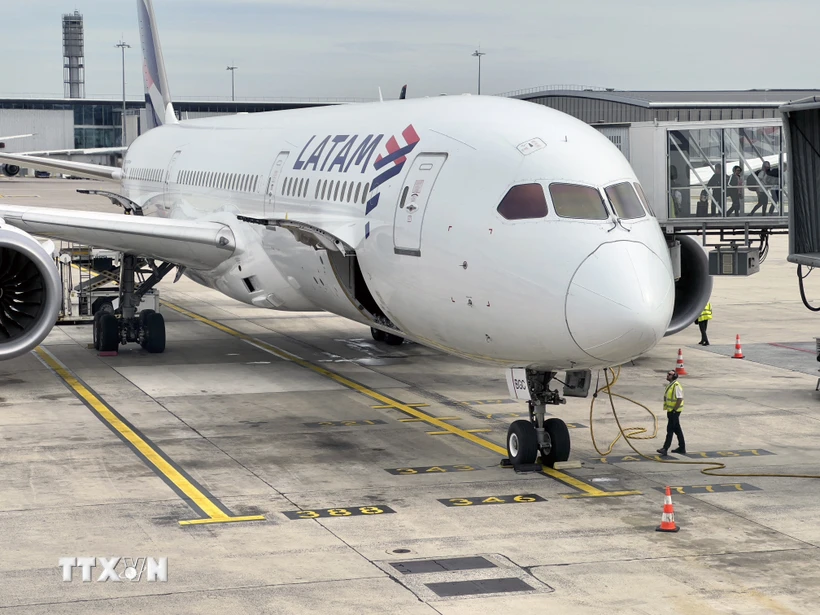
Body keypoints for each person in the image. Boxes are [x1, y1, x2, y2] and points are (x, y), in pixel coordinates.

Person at [657, 370, 685, 456]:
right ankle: (682, 448)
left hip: (674, 412)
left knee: (670, 430)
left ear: (674, 376)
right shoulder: (671, 385)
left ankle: (665, 448)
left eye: (669, 374)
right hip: (671, 411)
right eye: (668, 374)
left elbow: (680, 399)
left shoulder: (676, 386)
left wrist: (674, 410)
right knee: (677, 429)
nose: (667, 375)